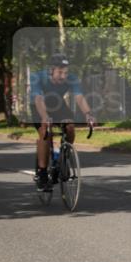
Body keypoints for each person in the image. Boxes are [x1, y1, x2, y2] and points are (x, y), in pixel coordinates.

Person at [30, 53, 95, 190]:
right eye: (60, 72)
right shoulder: (37, 77)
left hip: (58, 104)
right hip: (39, 105)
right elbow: (38, 99)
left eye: (66, 72)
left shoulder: (72, 79)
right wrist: (45, 116)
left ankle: (63, 158)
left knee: (70, 126)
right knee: (45, 131)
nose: (64, 76)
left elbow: (79, 97)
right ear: (51, 70)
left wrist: (88, 114)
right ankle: (42, 173)